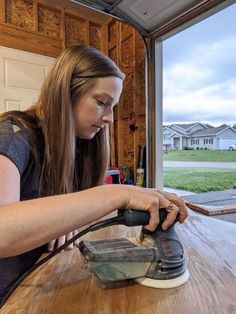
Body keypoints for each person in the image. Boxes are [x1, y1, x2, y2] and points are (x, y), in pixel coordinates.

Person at [0, 45, 187, 302]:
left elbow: (63, 211)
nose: (110, 118)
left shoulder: (80, 145)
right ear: (66, 92)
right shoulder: (12, 136)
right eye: (102, 102)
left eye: (114, 107)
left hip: (46, 283)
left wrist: (61, 219)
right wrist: (116, 193)